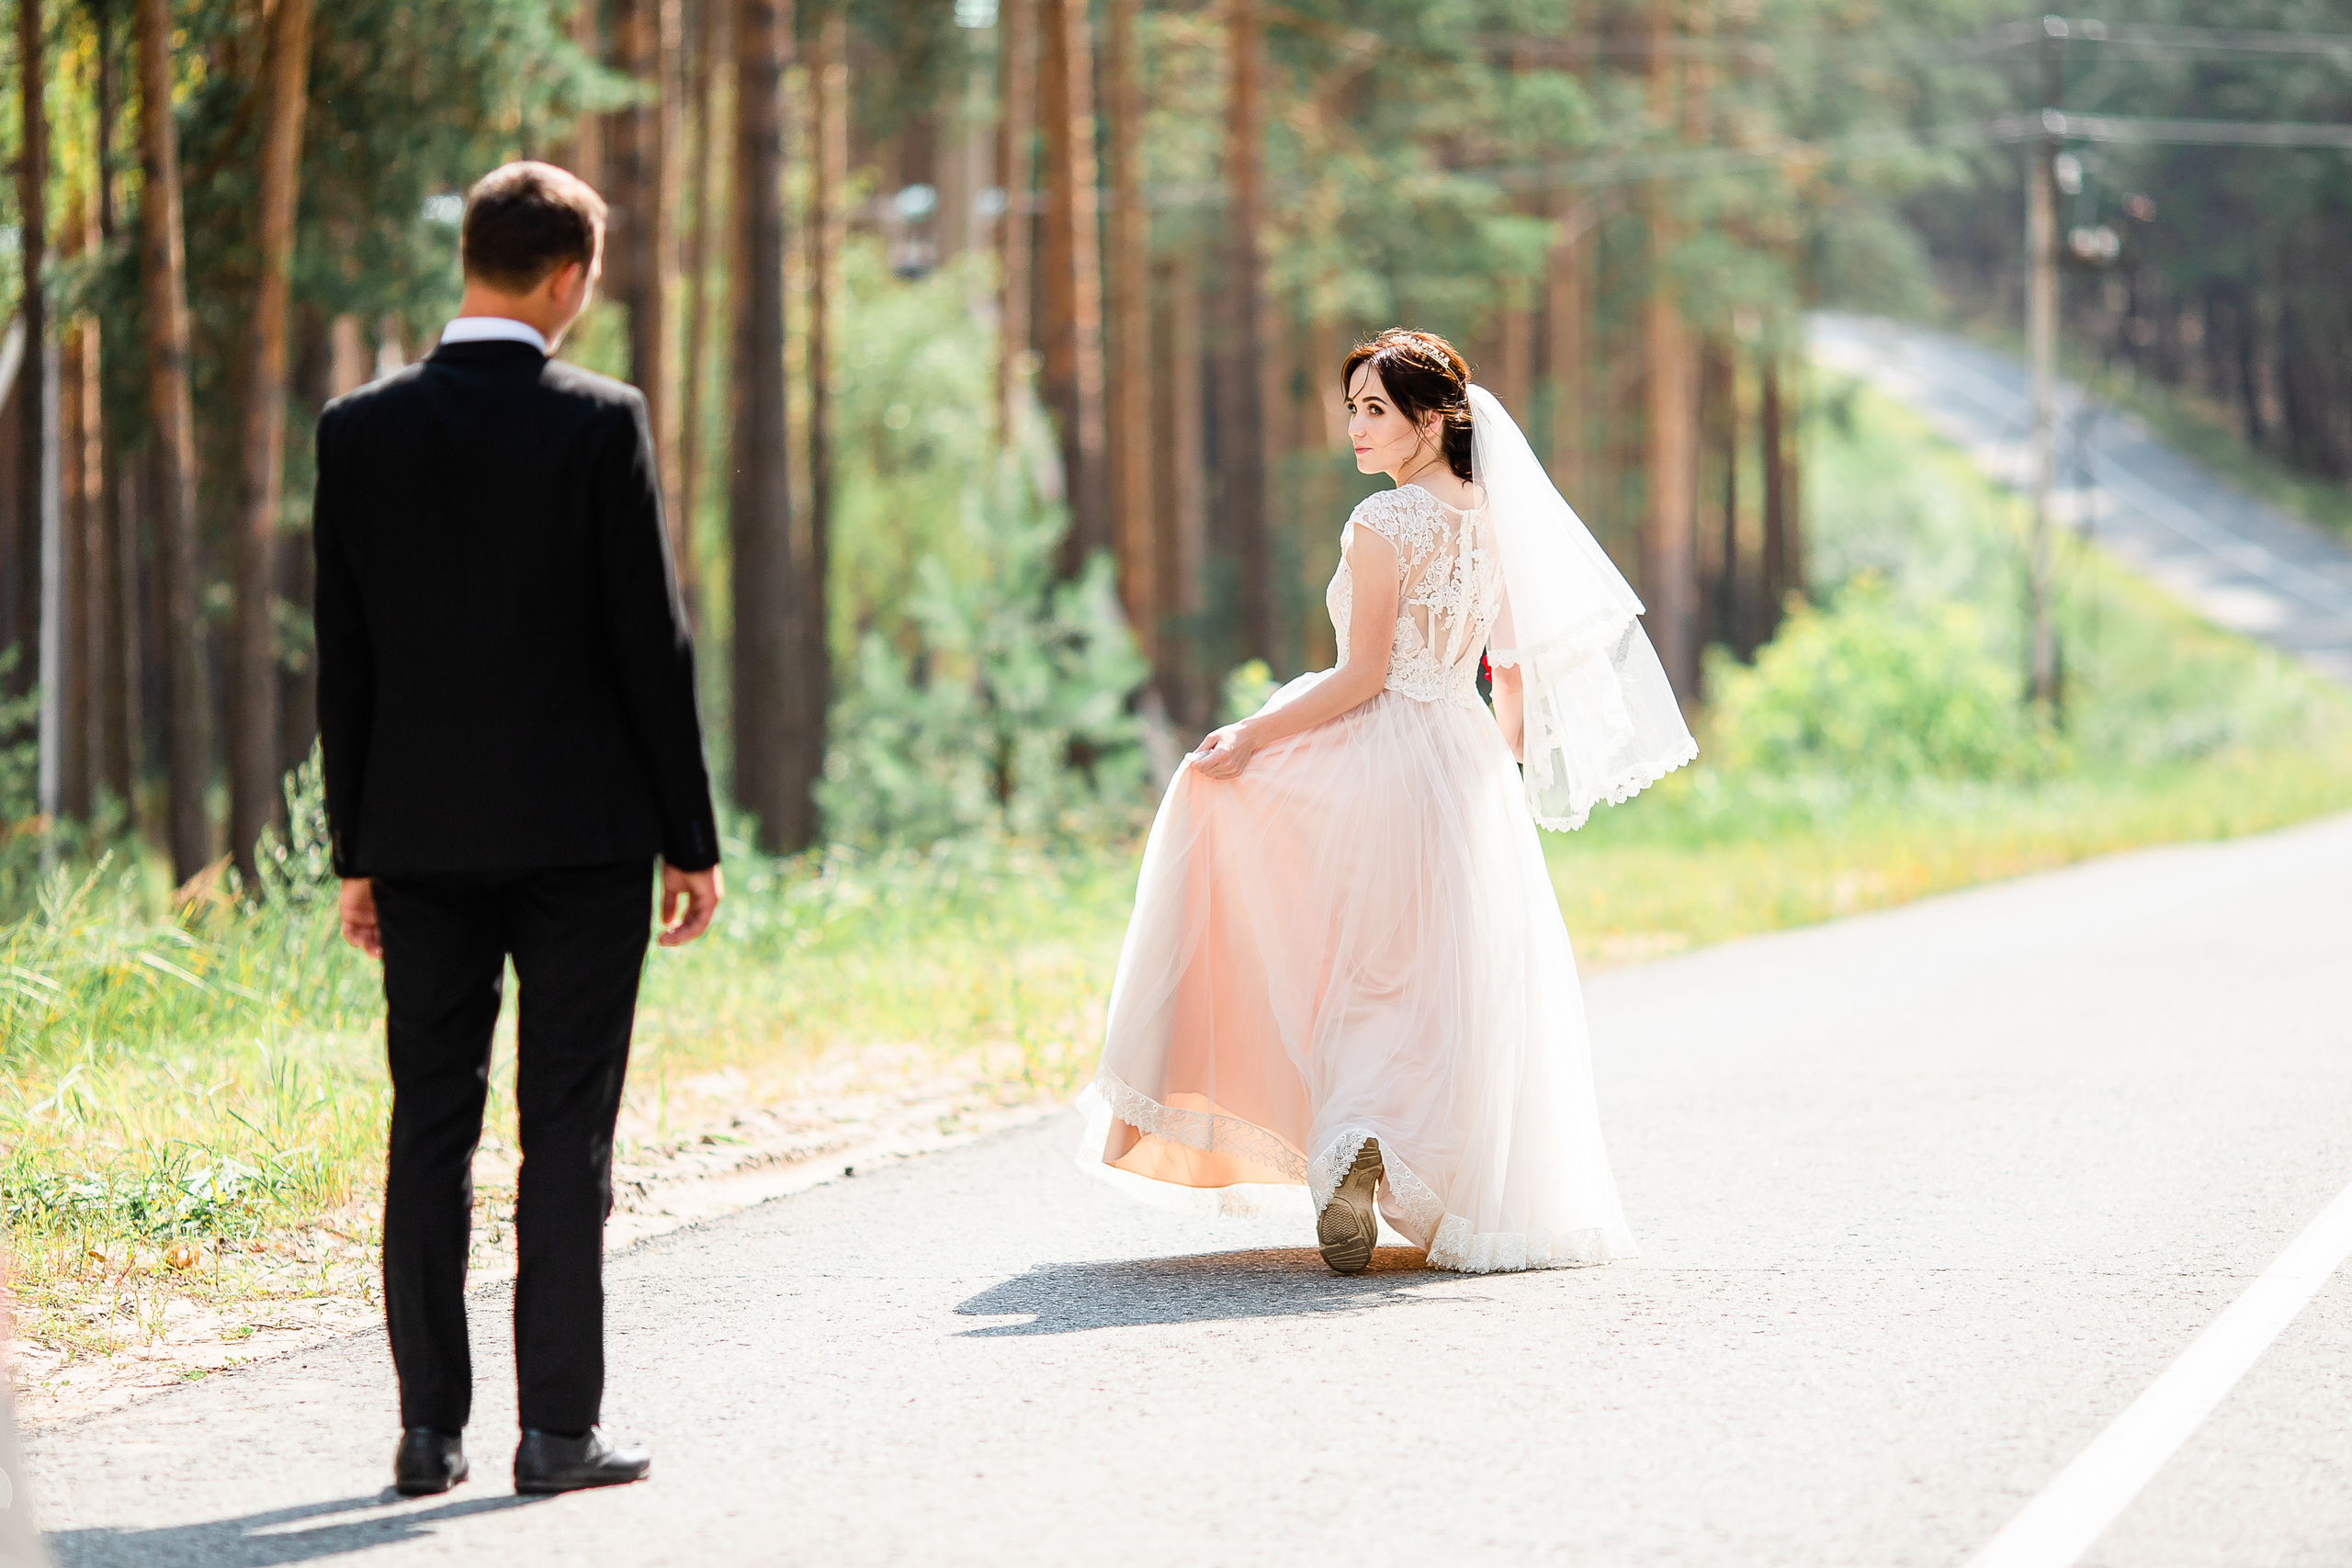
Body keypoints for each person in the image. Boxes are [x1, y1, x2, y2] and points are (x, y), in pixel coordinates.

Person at [1078, 329, 1696, 1275]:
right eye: (1353, 410)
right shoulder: (1499, 520)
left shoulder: (1384, 523)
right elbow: (1513, 673)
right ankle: (1390, 1154)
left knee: (1343, 952)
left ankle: (1353, 1139)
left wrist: (1250, 735)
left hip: (1380, 752)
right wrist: (1494, 770)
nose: (1356, 430)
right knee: (1444, 985)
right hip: (1464, 758)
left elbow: (1362, 675)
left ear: (1434, 417)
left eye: (1375, 410)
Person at [316, 161, 722, 1496]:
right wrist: (690, 832)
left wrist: (354, 850)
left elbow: (347, 658)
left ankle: (426, 1429)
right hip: (583, 837)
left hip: (420, 837)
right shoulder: (599, 420)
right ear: (569, 278)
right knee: (567, 1127)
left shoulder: (357, 428)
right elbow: (647, 643)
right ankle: (557, 1430)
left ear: (472, 264)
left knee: (427, 1120)